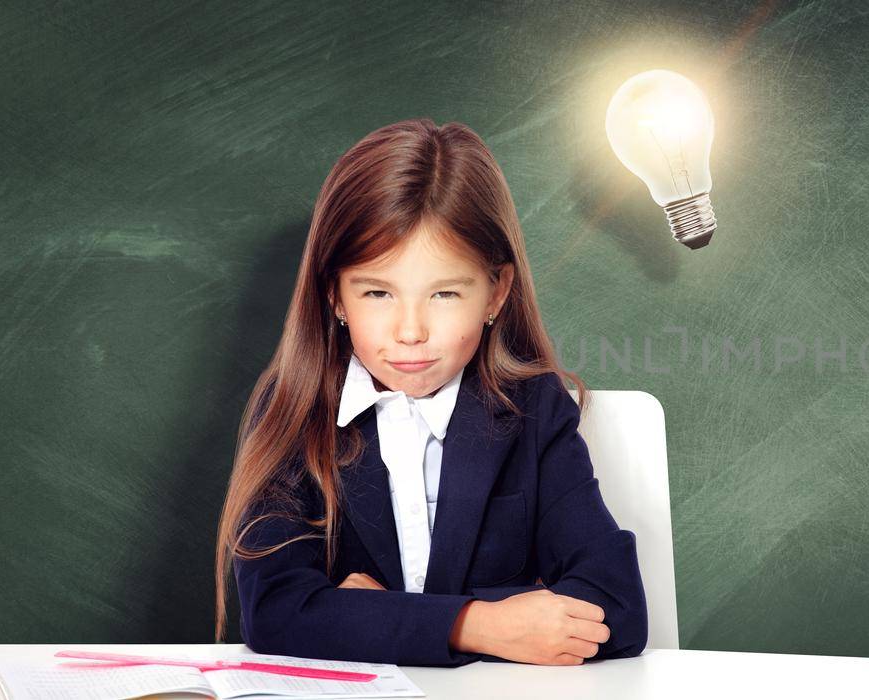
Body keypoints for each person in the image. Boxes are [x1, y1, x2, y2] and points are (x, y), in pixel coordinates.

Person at [210, 118, 647, 666]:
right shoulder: (293, 409)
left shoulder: (535, 408)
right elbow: (275, 612)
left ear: (495, 292)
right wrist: (478, 624)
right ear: (335, 296)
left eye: (443, 293)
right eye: (376, 292)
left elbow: (617, 606)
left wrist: (375, 617)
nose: (410, 330)